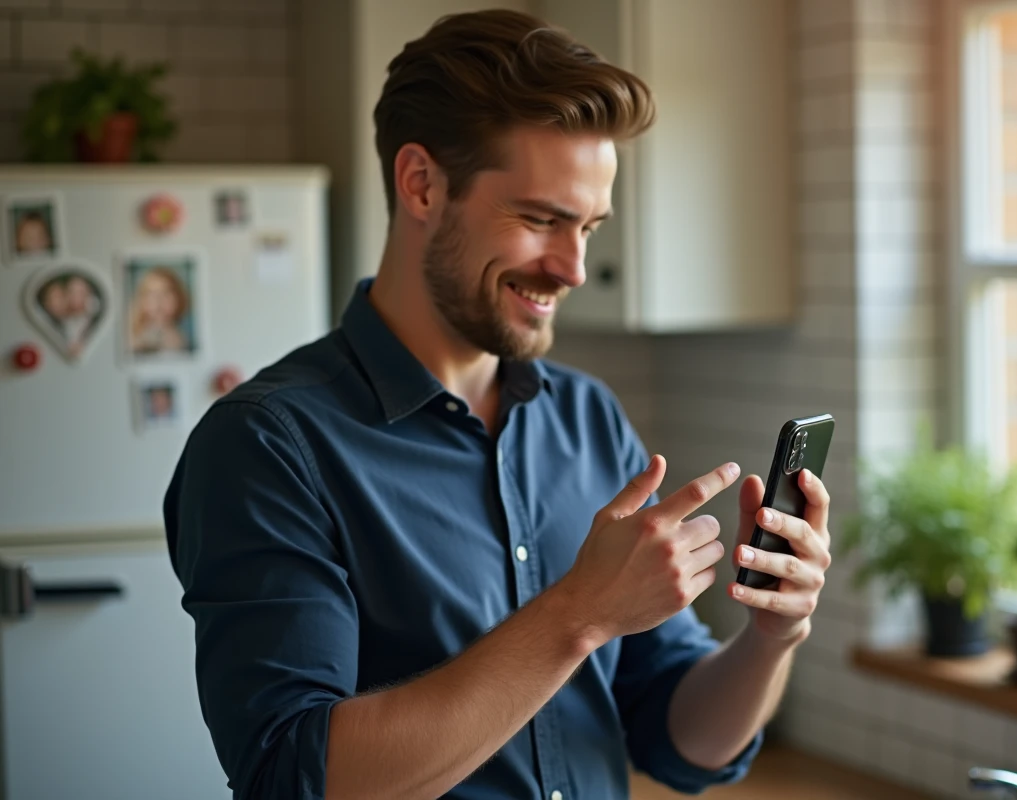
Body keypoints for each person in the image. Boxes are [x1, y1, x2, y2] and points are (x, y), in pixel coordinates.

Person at [163, 10, 833, 800]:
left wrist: (772, 636)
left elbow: (679, 736)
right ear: (421, 184)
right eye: (541, 219)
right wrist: (578, 614)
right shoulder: (268, 446)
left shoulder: (586, 419)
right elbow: (293, 777)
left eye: (589, 227)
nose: (573, 267)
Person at [127, 265, 189, 355]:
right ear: (142, 300)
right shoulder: (133, 332)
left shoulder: (179, 338)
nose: (158, 300)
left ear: (178, 298)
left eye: (166, 293)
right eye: (151, 294)